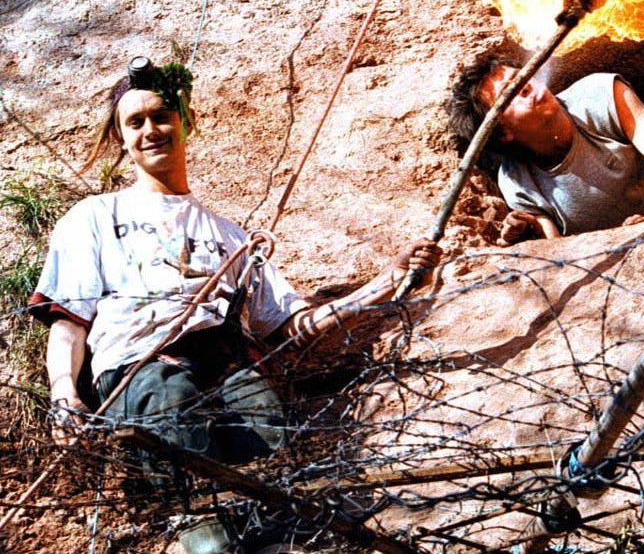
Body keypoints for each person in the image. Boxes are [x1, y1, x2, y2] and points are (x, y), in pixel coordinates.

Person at [28, 57, 441, 554]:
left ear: (185, 120)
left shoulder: (232, 237)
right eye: (134, 122)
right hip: (144, 371)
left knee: (282, 484)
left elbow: (293, 324)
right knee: (195, 488)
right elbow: (69, 320)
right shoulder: (94, 217)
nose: (151, 130)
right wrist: (63, 396)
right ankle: (198, 536)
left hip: (229, 369)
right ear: (121, 139)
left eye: (161, 115)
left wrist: (383, 283)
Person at [447, 55, 644, 244]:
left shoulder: (600, 94)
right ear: (503, 133)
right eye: (510, 93)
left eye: (522, 77)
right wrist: (526, 233)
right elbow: (557, 249)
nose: (527, 87)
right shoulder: (516, 182)